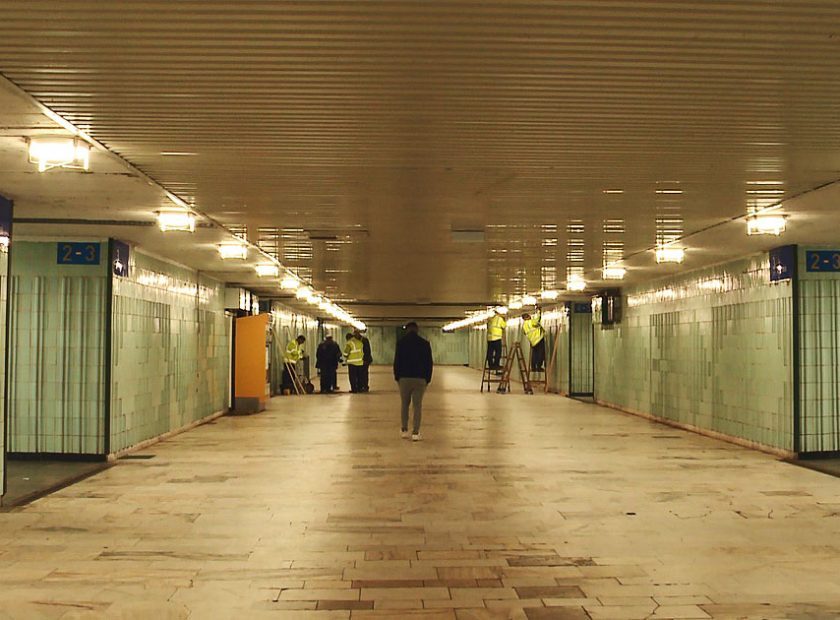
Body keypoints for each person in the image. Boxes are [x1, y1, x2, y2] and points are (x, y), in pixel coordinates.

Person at [393, 322, 433, 441]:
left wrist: (397, 377)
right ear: (417, 330)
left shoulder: (401, 343)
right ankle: (415, 432)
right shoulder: (425, 344)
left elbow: (397, 362)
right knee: (417, 406)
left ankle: (404, 430)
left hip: (404, 378)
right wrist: (427, 379)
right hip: (420, 379)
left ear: (407, 330)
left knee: (404, 405)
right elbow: (429, 363)